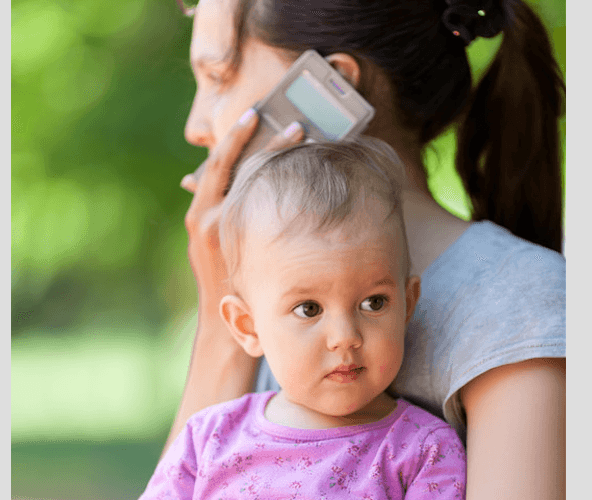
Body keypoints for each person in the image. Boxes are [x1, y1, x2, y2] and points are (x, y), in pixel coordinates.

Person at [169, 0, 566, 498]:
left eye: (219, 75)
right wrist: (223, 326)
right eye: (309, 309)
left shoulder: (516, 302)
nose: (195, 124)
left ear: (329, 89)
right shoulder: (277, 293)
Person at [140, 139, 467, 499]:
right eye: (309, 308)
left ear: (408, 303)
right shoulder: (209, 438)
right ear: (247, 326)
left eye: (374, 303)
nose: (345, 337)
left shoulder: (421, 451)